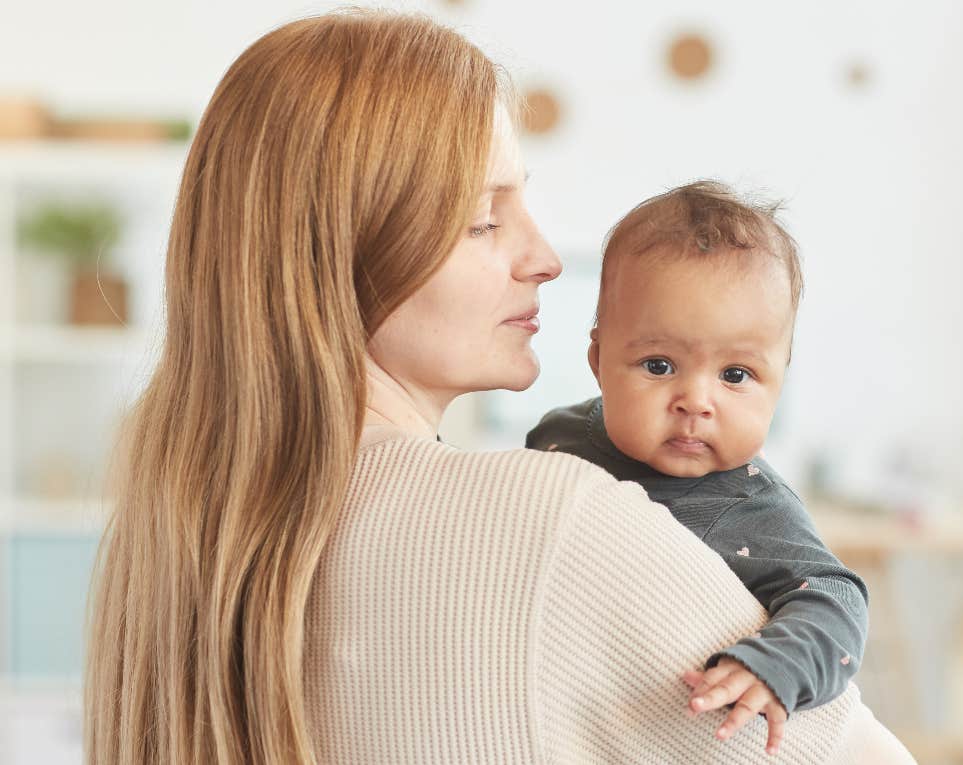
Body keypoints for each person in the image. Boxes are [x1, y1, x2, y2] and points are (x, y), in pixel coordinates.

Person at [83, 9, 915, 764]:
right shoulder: (553, 516)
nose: (545, 257)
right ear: (345, 258)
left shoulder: (168, 538)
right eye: (487, 217)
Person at [527, 182, 870, 750]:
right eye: (659, 365)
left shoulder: (753, 509)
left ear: (779, 380)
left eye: (736, 375)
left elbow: (836, 599)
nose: (696, 400)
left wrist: (772, 666)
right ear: (597, 361)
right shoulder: (559, 433)